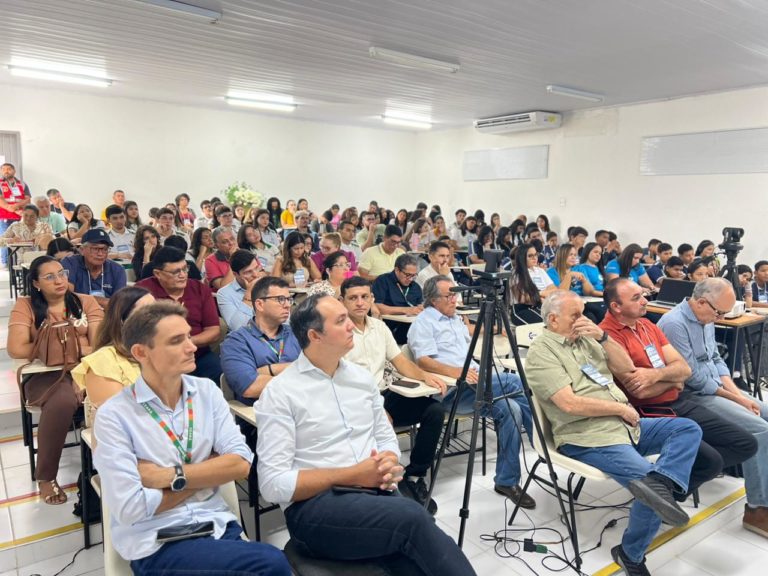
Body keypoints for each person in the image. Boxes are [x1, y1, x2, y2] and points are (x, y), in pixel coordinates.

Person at [255, 294, 476, 575]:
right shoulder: (281, 392)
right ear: (315, 335)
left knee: (416, 557)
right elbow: (272, 485)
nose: (352, 325)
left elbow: (385, 438)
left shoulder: (360, 379)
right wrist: (353, 474)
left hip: (375, 491)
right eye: (341, 320)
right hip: (316, 506)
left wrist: (387, 460)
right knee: (415, 520)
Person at [93, 302, 290, 576]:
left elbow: (241, 464)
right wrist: (208, 473)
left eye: (188, 336)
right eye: (176, 341)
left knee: (267, 564)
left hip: (218, 526)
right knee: (271, 564)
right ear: (141, 353)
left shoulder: (206, 392)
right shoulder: (115, 415)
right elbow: (131, 508)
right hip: (158, 541)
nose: (191, 346)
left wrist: (168, 477)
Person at [525, 290, 701, 575]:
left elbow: (627, 368)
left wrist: (603, 337)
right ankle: (631, 553)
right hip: (587, 436)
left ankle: (661, 486)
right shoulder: (542, 352)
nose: (583, 320)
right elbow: (569, 404)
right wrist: (618, 409)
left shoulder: (586, 340)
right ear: (553, 319)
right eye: (576, 315)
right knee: (649, 484)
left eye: (583, 313)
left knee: (686, 429)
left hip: (623, 427)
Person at [600, 278, 757, 500]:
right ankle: (663, 498)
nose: (645, 300)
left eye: (643, 294)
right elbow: (639, 391)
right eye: (636, 298)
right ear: (616, 306)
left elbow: (684, 370)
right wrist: (672, 379)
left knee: (746, 444)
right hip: (648, 411)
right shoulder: (607, 336)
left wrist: (659, 376)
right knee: (711, 462)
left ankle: (665, 483)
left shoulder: (647, 325)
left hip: (677, 399)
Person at [408, 275, 535, 507]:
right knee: (516, 382)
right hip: (452, 391)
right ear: (433, 300)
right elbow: (423, 361)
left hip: (475, 383)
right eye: (449, 295)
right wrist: (458, 371)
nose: (455, 299)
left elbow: (468, 348)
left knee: (511, 409)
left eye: (455, 294)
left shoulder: (456, 318)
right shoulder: (423, 322)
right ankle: (539, 439)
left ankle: (506, 480)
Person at [658, 278, 768, 537]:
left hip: (716, 387)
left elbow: (716, 359)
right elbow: (693, 378)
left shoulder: (705, 317)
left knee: (762, 410)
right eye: (718, 313)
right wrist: (738, 399)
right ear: (700, 302)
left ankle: (762, 480)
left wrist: (736, 393)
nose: (719, 319)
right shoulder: (674, 324)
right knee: (760, 429)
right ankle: (757, 508)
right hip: (694, 395)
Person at [341, 276, 445, 514]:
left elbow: (398, 361)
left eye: (365, 297)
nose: (360, 302)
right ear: (342, 301)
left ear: (372, 299)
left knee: (434, 410)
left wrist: (424, 376)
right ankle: (380, 487)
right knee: (378, 424)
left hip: (384, 391)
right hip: (355, 400)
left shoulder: (379, 326)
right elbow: (341, 381)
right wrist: (377, 408)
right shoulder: (339, 331)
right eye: (353, 298)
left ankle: (415, 475)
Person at [8, 256, 103, 504]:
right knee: (62, 401)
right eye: (50, 277)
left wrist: (64, 351)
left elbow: (99, 345)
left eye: (61, 273)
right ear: (37, 283)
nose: (59, 280)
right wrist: (68, 345)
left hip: (84, 369)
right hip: (43, 374)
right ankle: (46, 477)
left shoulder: (85, 301)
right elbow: (16, 348)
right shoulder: (26, 305)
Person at [136, 247, 222, 383]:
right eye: (176, 272)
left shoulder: (199, 289)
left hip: (197, 354)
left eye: (185, 269)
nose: (183, 275)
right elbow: (138, 333)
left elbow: (213, 330)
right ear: (158, 273)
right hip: (161, 357)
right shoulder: (142, 292)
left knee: (220, 373)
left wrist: (185, 343)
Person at [72, 286, 155, 424]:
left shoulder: (160, 352)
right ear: (123, 320)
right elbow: (116, 420)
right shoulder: (103, 361)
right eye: (148, 313)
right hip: (131, 437)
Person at [220, 277, 301, 404]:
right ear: (259, 305)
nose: (287, 305)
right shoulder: (236, 341)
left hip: (300, 406)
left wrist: (269, 370)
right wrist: (296, 371)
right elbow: (250, 388)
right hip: (259, 415)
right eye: (280, 299)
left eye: (289, 299)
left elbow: (319, 369)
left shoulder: (296, 333)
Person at [61, 228, 127, 307]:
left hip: (107, 316)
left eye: (105, 249)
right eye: (95, 249)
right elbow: (67, 295)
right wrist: (103, 301)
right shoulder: (70, 263)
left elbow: (118, 305)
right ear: (82, 250)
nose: (100, 254)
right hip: (78, 314)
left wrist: (82, 298)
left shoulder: (117, 270)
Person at [373, 254, 424, 344]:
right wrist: (406, 310)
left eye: (414, 275)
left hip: (411, 327)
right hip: (388, 326)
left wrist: (421, 308)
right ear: (397, 270)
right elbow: (378, 307)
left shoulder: (415, 286)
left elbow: (420, 305)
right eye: (407, 275)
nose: (410, 279)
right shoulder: (383, 281)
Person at [216, 250, 267, 332]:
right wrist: (249, 294)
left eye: (257, 268)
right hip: (245, 340)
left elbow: (284, 320)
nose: (256, 275)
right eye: (248, 272)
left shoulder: (269, 286)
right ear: (235, 274)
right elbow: (237, 328)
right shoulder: (224, 294)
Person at [509, 243, 556, 325]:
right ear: (522, 258)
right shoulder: (516, 273)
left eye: (535, 255)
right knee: (545, 323)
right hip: (522, 309)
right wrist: (541, 294)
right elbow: (523, 299)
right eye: (530, 256)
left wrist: (537, 294)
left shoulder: (540, 271)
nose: (535, 258)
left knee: (559, 320)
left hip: (542, 305)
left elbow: (554, 290)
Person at [0, 162, 31, 267]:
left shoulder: (22, 183)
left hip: (21, 217)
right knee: (6, 240)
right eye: (3, 169)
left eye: (9, 169)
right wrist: (11, 208)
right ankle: (6, 263)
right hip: (5, 217)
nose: (6, 171)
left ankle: (20, 263)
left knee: (22, 240)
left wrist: (16, 206)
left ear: (14, 171)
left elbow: (27, 199)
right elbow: (1, 200)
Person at [204, 226, 238, 292]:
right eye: (225, 242)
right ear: (216, 246)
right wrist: (233, 259)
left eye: (232, 239)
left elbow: (261, 274)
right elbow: (223, 287)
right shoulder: (210, 261)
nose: (231, 243)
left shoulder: (245, 253)